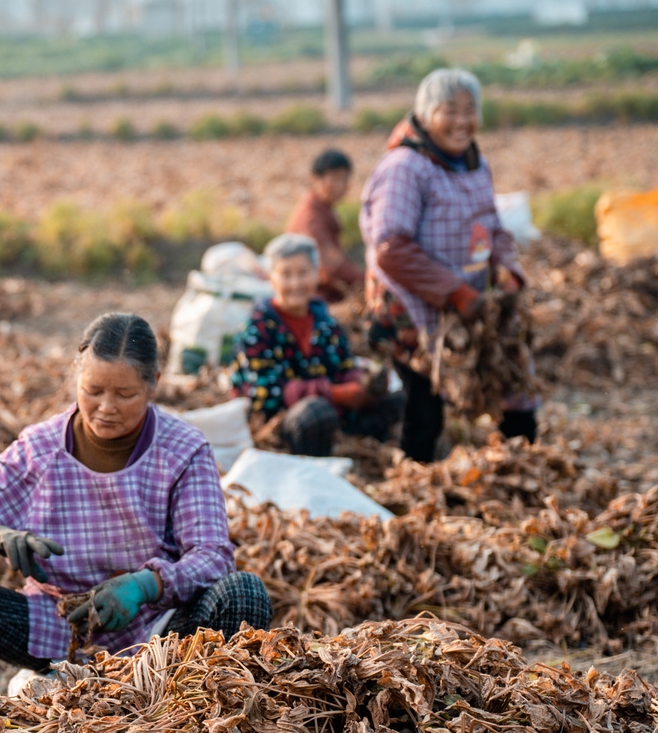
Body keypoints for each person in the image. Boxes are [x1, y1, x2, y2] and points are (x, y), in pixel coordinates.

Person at [0, 313, 271, 723]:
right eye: (92, 390)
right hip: (56, 624)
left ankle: (192, 727)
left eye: (125, 394)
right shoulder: (41, 448)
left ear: (154, 384)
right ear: (76, 377)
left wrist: (146, 585)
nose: (106, 408)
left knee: (244, 594)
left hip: (155, 630)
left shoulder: (182, 449)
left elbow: (214, 555)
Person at [359, 67, 535, 463]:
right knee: (423, 407)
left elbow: (492, 226)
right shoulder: (405, 167)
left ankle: (524, 471)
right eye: (448, 111)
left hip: (468, 302)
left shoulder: (475, 162)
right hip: (411, 309)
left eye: (469, 110)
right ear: (424, 116)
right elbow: (391, 247)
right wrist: (455, 291)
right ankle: (416, 492)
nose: (461, 121)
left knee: (514, 386)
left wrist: (506, 267)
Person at [229, 233, 403, 457]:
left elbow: (344, 366)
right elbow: (265, 393)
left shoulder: (326, 323)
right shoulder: (258, 328)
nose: (295, 283)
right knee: (315, 413)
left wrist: (364, 386)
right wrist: (335, 393)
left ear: (317, 274)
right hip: (282, 422)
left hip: (334, 414)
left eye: (303, 273)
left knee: (398, 401)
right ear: (271, 279)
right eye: (286, 274)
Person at [284, 148, 364, 302]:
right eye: (334, 179)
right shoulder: (312, 218)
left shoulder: (323, 209)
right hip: (311, 295)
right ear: (315, 179)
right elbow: (334, 267)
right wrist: (369, 281)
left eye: (344, 179)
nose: (340, 186)